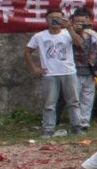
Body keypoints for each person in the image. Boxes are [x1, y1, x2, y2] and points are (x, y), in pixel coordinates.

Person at [24, 8, 80, 139]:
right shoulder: (40, 36)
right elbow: (27, 51)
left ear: (63, 19)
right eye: (52, 17)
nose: (55, 20)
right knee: (50, 103)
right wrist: (35, 67)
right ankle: (48, 129)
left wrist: (70, 28)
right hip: (50, 74)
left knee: (73, 101)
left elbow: (79, 43)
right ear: (46, 20)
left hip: (69, 71)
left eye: (58, 17)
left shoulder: (67, 33)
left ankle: (77, 127)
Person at [67, 9, 97, 136]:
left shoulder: (93, 35)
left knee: (88, 98)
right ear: (72, 21)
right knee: (75, 98)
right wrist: (73, 30)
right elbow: (77, 44)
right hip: (73, 70)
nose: (81, 24)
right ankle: (76, 122)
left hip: (90, 70)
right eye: (78, 22)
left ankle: (85, 122)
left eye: (84, 22)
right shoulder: (67, 34)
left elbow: (94, 51)